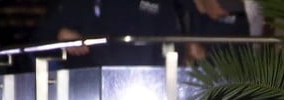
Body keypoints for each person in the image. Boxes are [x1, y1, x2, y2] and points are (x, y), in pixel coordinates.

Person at [29, 0, 182, 67]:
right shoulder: (78, 3)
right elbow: (38, 42)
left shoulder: (159, 3)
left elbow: (174, 44)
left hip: (145, 91)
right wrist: (60, 36)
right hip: (85, 96)